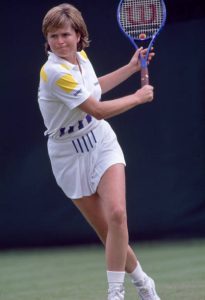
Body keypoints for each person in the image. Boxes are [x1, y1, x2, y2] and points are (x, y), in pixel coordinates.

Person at [38, 3, 160, 300]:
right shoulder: (53, 72)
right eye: (53, 36)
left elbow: (95, 89)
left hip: (100, 142)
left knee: (118, 214)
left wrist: (132, 68)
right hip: (67, 156)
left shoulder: (80, 58)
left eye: (65, 34)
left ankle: (116, 293)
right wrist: (137, 97)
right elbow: (97, 109)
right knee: (107, 232)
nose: (60, 42)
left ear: (79, 35)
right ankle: (144, 281)